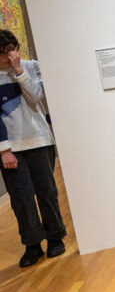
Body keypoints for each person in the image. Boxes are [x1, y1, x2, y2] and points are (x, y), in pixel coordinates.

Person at [0, 30, 65, 268]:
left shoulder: (31, 66)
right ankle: (32, 244)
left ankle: (55, 236)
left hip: (39, 140)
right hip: (10, 148)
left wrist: (19, 71)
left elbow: (37, 97)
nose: (10, 55)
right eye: (4, 52)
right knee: (21, 198)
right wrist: (3, 150)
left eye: (12, 49)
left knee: (46, 192)